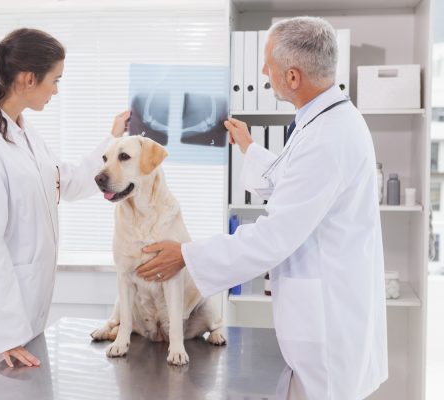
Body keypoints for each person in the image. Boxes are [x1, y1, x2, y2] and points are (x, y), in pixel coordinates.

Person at [136, 17, 388, 400]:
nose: (261, 72)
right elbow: (288, 181)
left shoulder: (328, 137)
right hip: (325, 317)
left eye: (267, 63)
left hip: (327, 329)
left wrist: (186, 254)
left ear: (291, 77)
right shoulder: (322, 122)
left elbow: (274, 236)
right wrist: (248, 147)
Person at [0, 28, 130, 378]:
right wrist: (6, 335)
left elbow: (65, 181)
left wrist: (113, 141)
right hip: (1, 327)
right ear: (28, 78)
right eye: (55, 80)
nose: (56, 90)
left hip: (28, 310)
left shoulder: (24, 134)